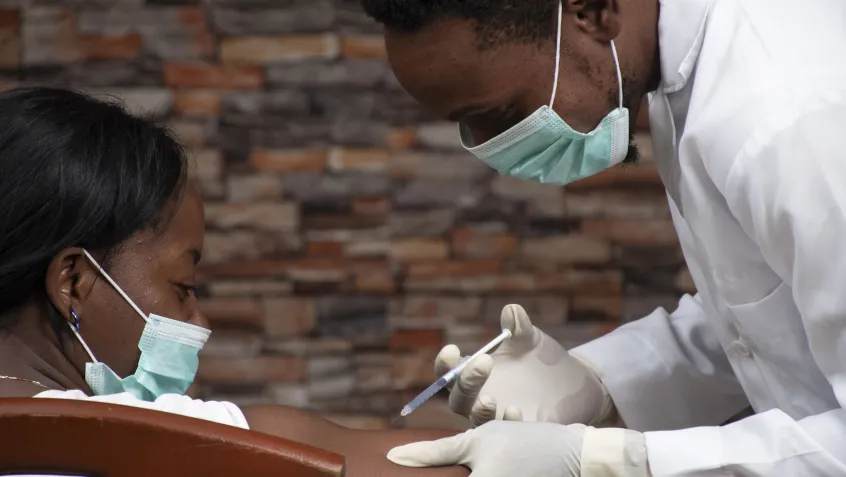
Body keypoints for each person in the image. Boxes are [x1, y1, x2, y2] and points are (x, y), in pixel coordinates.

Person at [359, 0, 846, 475]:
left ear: (592, 13)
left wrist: (609, 463)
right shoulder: (686, 68)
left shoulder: (791, 121)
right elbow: (770, 309)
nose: (495, 147)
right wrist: (599, 383)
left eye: (502, 113)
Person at [0, 86, 469, 477]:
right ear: (75, 282)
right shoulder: (142, 437)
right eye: (183, 287)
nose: (198, 320)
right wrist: (528, 426)